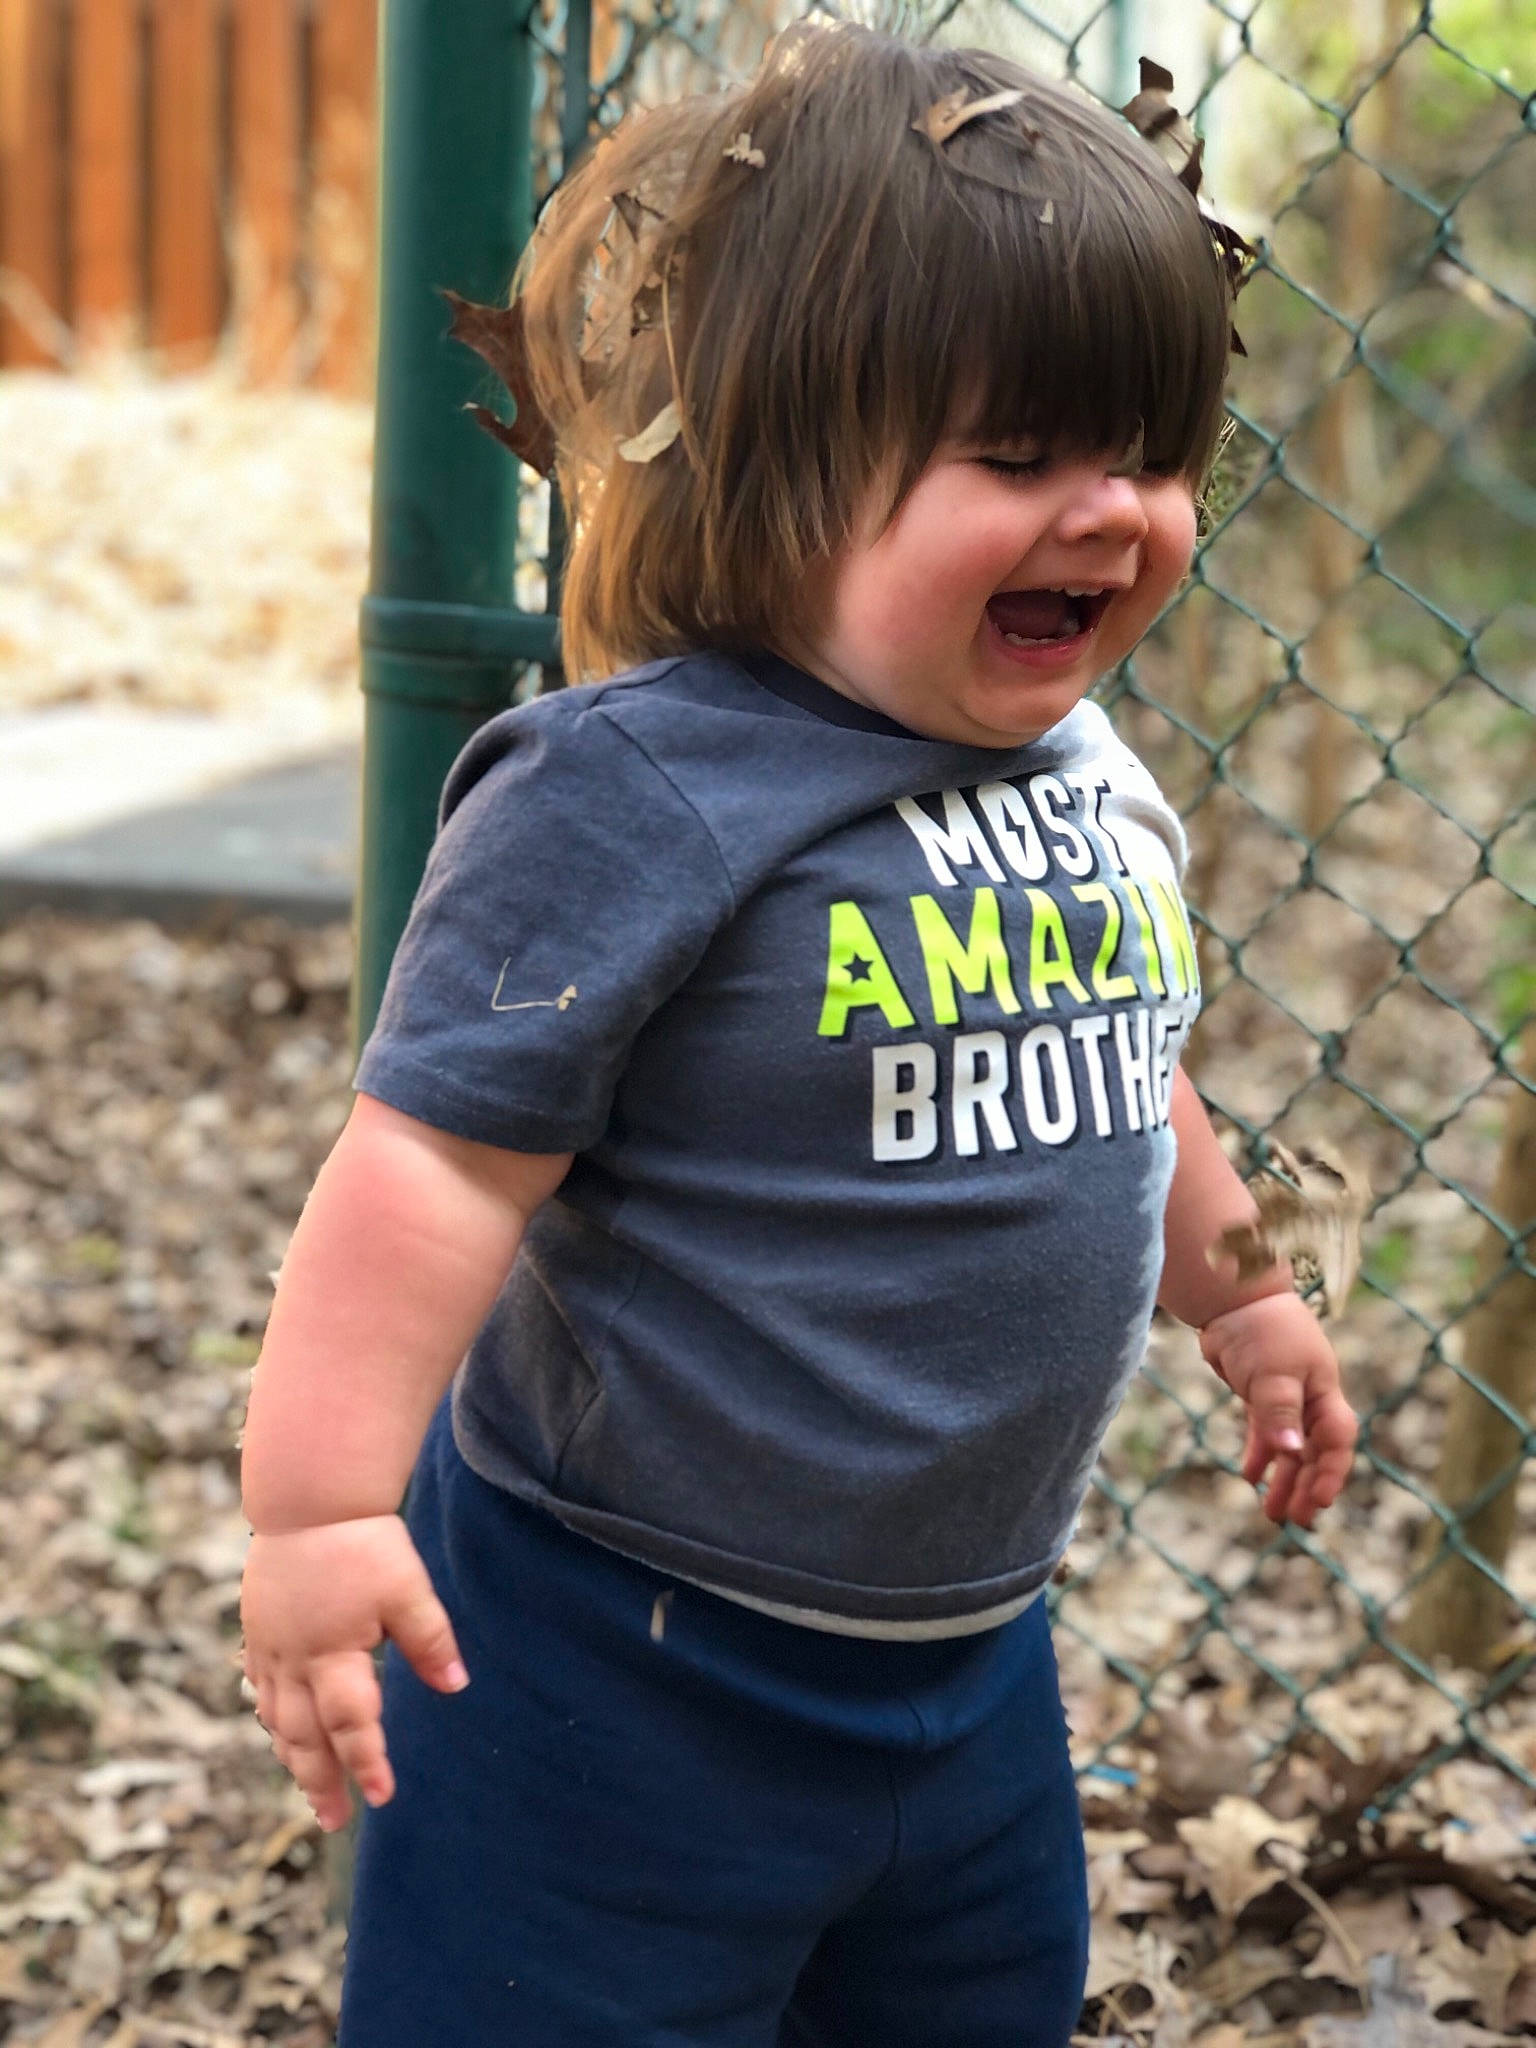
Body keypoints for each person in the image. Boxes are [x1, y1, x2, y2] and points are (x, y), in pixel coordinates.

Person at [239, 24, 1357, 2046]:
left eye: (1152, 455)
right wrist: (320, 1510)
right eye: (1019, 457)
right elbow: (430, 1165)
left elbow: (1130, 1064)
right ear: (782, 461)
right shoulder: (636, 789)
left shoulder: (1089, 772)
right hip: (614, 1666)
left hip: (969, 1665)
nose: (1112, 511)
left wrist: (1252, 1290)